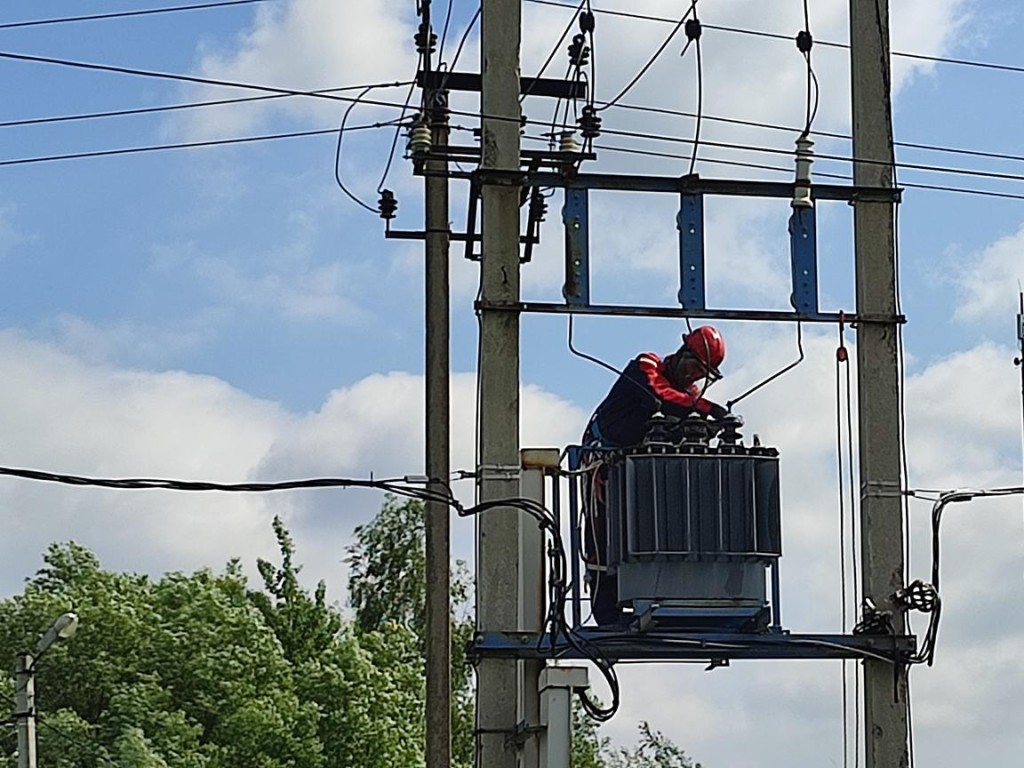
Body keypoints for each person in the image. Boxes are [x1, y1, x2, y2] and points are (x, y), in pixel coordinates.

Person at [580, 325, 730, 625]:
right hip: (603, 461)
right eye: (696, 368)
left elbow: (681, 419)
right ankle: (606, 613)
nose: (696, 377)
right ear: (682, 352)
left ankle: (658, 595)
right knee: (602, 536)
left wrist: (708, 427)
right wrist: (709, 409)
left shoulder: (689, 395)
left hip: (642, 472)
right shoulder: (646, 365)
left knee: (648, 531)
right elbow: (658, 394)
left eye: (705, 374)